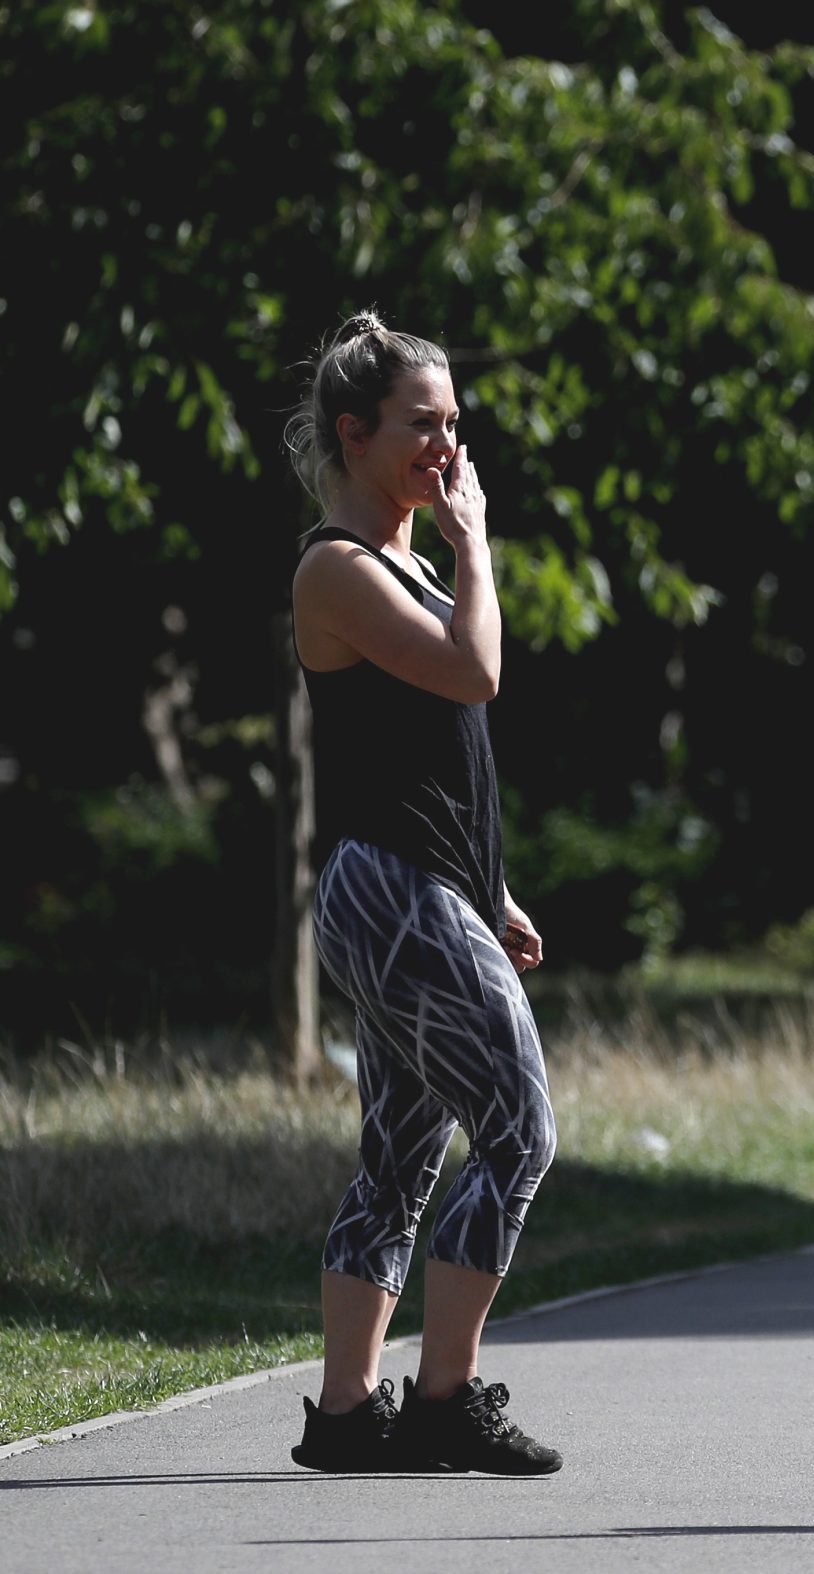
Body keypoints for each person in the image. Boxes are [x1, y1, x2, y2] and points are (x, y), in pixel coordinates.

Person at [281, 311, 563, 1476]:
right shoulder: (337, 569)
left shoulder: (391, 563)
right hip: (389, 892)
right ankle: (443, 1400)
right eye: (422, 425)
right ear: (355, 434)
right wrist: (477, 549)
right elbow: (473, 671)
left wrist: (489, 890)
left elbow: (430, 759)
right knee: (519, 1130)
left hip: (415, 887)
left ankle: (347, 1417)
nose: (449, 447)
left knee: (399, 1158)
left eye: (456, 424)